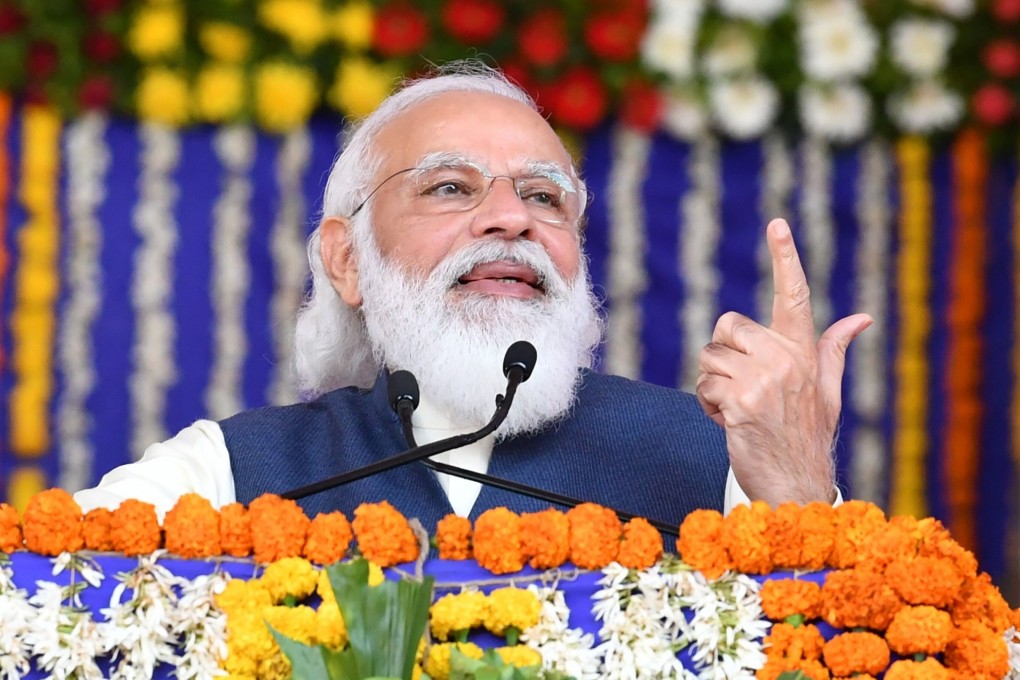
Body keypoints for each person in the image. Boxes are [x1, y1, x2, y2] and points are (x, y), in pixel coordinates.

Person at [74, 62, 871, 530]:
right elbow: (41, 598)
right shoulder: (229, 474)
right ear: (346, 262)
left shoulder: (719, 464)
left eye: (546, 196)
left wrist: (797, 481)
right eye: (451, 187)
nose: (510, 218)